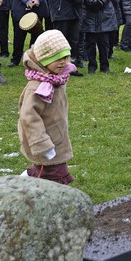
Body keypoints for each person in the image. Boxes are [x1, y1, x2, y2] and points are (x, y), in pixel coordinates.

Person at [18, 29, 77, 184]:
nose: (63, 62)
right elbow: (28, 117)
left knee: (47, 171)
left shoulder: (56, 79)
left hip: (55, 135)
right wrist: (41, 144)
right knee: (55, 174)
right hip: (45, 141)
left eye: (66, 57)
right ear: (44, 59)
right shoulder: (37, 87)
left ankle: (32, 175)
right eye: (57, 58)